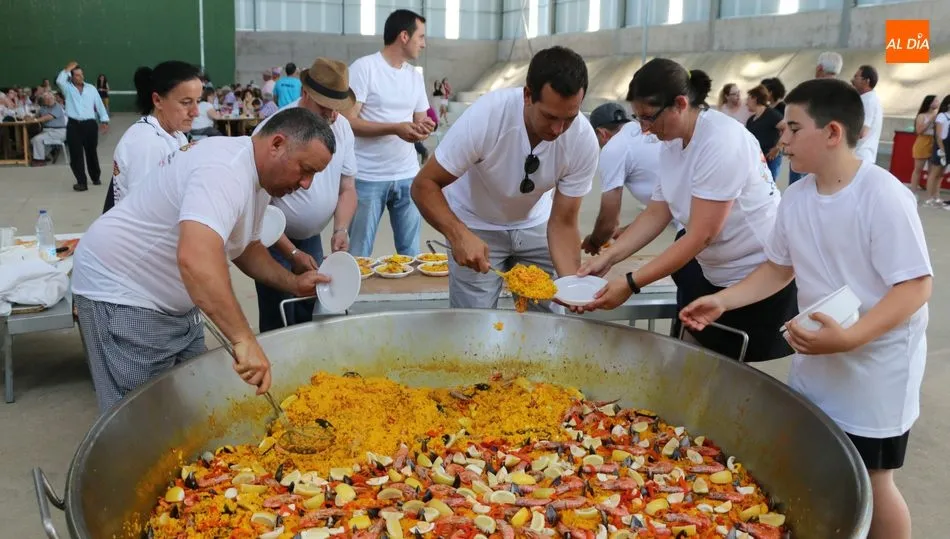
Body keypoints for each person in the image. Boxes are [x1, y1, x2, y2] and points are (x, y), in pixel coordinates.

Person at [681, 78, 932, 539]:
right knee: (820, 464)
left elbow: (915, 287)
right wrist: (723, 299)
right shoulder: (796, 198)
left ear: (833, 132)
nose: (784, 139)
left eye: (794, 129)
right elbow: (779, 269)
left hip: (877, 369)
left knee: (874, 482)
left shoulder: (881, 194)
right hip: (819, 354)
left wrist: (851, 338)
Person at [71, 108, 336, 413]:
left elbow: (245, 246)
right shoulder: (224, 171)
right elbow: (196, 260)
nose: (307, 184)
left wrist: (292, 283)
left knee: (193, 399)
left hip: (175, 299)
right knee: (141, 415)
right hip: (122, 291)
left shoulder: (259, 178)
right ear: (277, 144)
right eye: (305, 170)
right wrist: (243, 339)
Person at [577, 58, 797, 362]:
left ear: (680, 104)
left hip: (753, 273)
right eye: (638, 118)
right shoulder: (672, 140)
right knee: (697, 357)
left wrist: (631, 283)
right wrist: (609, 257)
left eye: (648, 118)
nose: (644, 129)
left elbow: (700, 236)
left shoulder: (721, 142)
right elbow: (657, 212)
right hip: (711, 269)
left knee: (733, 369)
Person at [411, 46, 598, 311]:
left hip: (536, 223)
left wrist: (571, 287)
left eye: (569, 118)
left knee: (549, 317)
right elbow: (424, 185)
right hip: (475, 222)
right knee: (473, 323)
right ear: (527, 95)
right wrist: (458, 234)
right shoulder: (488, 117)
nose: (558, 129)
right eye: (550, 116)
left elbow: (564, 222)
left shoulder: (582, 139)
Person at [582, 102, 705, 337]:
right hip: (690, 225)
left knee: (694, 319)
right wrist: (622, 239)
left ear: (601, 133)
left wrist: (596, 243)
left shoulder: (614, 148)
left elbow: (608, 220)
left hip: (700, 240)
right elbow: (660, 207)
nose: (646, 129)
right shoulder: (653, 139)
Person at [253, 57, 358, 331]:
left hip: (311, 239)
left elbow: (347, 188)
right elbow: (259, 209)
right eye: (325, 109)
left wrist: (341, 229)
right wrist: (291, 252)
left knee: (310, 307)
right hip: (274, 240)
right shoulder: (277, 131)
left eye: (337, 109)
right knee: (278, 314)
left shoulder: (342, 127)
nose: (332, 116)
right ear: (305, 93)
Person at [344, 9, 435, 257]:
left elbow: (420, 119)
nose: (424, 44)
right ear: (404, 36)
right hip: (368, 176)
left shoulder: (414, 76)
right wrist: (395, 128)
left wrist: (424, 128)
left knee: (411, 254)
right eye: (421, 37)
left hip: (408, 174)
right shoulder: (364, 68)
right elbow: (348, 121)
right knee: (359, 253)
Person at [104, 61, 202, 213]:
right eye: (186, 102)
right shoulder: (147, 143)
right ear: (158, 100)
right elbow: (145, 211)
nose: (196, 112)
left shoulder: (176, 135)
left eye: (198, 101)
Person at [56, 61, 110, 192]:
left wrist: (104, 120)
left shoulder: (91, 88)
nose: (81, 77)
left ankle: (95, 177)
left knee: (91, 152)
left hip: (90, 124)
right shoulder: (67, 88)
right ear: (72, 77)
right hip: (73, 125)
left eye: (82, 74)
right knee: (76, 155)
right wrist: (68, 68)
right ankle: (81, 182)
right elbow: (59, 80)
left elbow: (99, 104)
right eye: (77, 75)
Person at [744, 85, 784, 181]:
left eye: (748, 99)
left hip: (771, 159)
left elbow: (787, 128)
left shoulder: (771, 114)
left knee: (769, 184)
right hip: (758, 161)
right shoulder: (750, 120)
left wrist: (778, 147)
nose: (746, 103)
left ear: (755, 98)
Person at [852, 65, 883, 165]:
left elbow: (862, 131)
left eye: (856, 77)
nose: (852, 80)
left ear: (867, 81)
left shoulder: (867, 101)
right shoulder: (870, 99)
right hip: (862, 156)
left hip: (860, 156)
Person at [925, 95, 950, 207]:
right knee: (934, 173)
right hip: (941, 147)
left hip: (948, 147)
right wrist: (942, 149)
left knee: (941, 174)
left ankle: (936, 195)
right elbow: (938, 136)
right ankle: (929, 197)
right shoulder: (941, 116)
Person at [29, 93, 67, 165]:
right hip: (47, 131)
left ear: (54, 99)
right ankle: (45, 154)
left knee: (37, 139)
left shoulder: (57, 107)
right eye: (46, 99)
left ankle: (40, 160)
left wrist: (35, 120)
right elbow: (35, 116)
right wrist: (29, 117)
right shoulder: (43, 107)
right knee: (32, 140)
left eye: (50, 98)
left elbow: (48, 117)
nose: (49, 100)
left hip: (58, 131)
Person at [910, 95, 937, 194]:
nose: (937, 103)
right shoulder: (922, 116)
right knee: (918, 169)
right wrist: (930, 120)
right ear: (929, 103)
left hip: (934, 142)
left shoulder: (938, 115)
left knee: (932, 171)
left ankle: (930, 194)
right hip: (923, 142)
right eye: (935, 101)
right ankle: (913, 192)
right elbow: (919, 131)